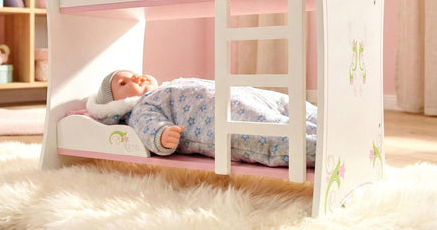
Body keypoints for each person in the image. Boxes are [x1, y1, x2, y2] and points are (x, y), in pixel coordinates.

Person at [86, 70, 317, 167]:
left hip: (245, 96)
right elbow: (148, 128)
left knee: (291, 106)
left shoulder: (165, 88)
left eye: (133, 73)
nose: (135, 78)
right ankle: (322, 147)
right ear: (116, 105)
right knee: (272, 131)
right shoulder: (140, 109)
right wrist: (161, 135)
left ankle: (328, 122)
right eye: (123, 83)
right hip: (223, 120)